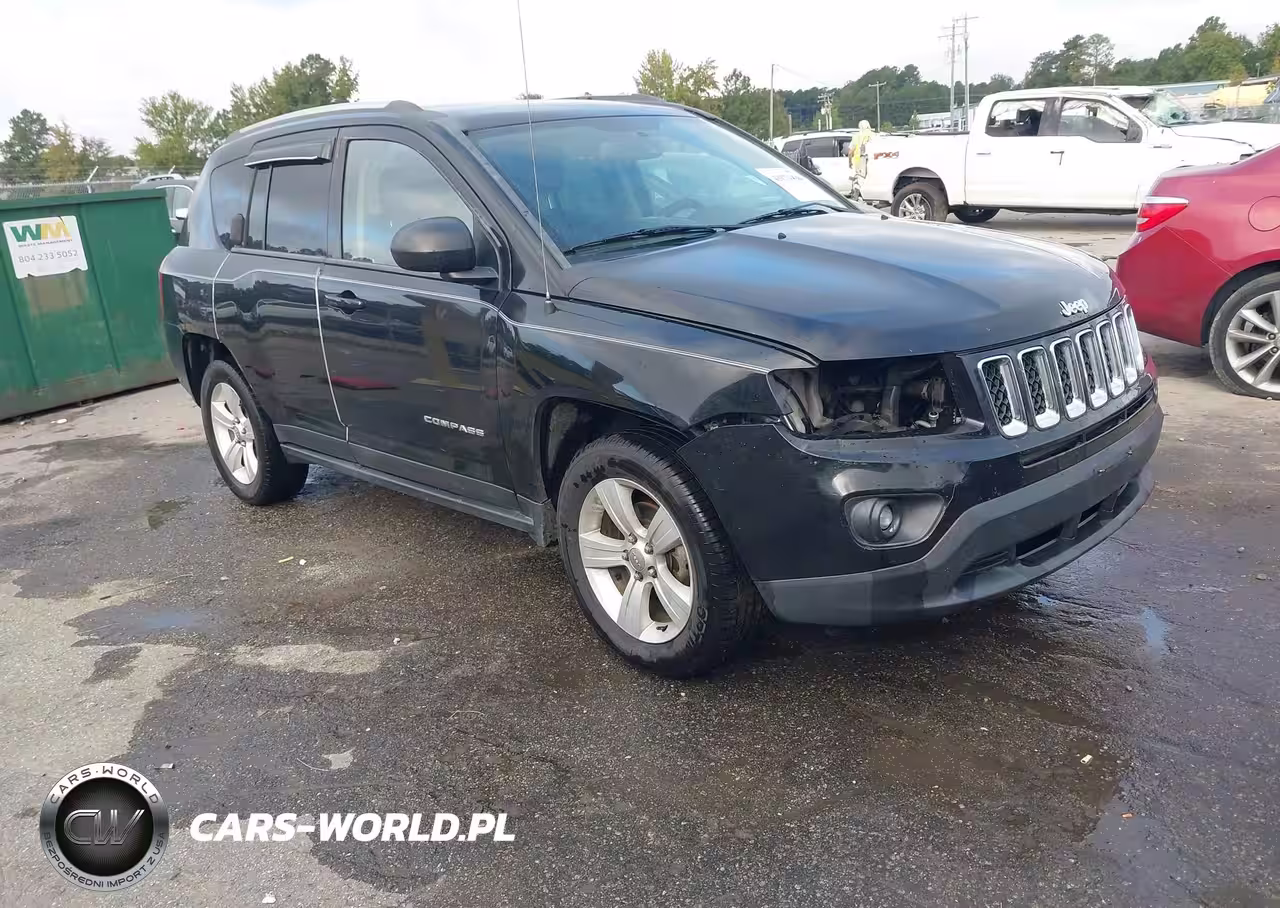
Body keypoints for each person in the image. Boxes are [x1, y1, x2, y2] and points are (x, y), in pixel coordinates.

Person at [847, 120, 874, 199]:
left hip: (859, 160)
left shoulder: (856, 136)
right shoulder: (873, 135)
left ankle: (856, 196)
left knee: (858, 179)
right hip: (872, 160)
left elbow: (850, 151)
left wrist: (849, 162)